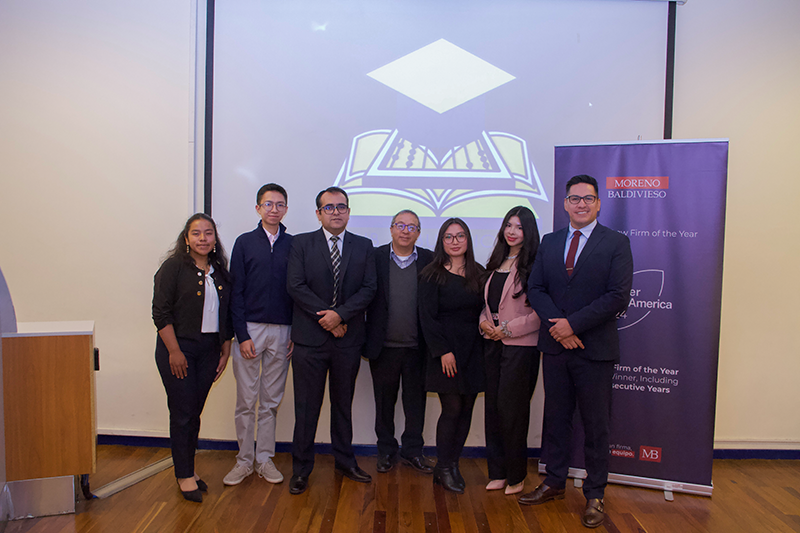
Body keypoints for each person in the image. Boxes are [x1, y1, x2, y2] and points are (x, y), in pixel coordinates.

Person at [520, 175, 633, 529]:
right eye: (574, 198)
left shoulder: (616, 242)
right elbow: (535, 287)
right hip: (556, 347)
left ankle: (595, 494)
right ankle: (554, 481)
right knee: (556, 419)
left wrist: (573, 325)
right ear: (565, 203)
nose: (581, 204)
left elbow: (617, 296)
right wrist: (559, 326)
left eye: (588, 198)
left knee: (596, 425)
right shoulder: (551, 242)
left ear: (598, 203)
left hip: (594, 350)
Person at [286, 186, 377, 495]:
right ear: (318, 213)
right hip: (310, 341)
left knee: (342, 407)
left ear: (349, 212)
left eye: (342, 207)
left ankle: (345, 461)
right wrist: (326, 318)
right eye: (330, 207)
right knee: (306, 409)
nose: (336, 212)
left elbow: (368, 289)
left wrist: (340, 316)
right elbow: (295, 286)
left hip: (347, 341)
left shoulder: (364, 246)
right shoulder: (301, 244)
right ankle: (301, 469)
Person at [152, 213, 233, 503]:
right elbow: (160, 313)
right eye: (196, 233)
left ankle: (189, 469)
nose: (203, 239)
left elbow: (227, 315)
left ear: (215, 238)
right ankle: (184, 475)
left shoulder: (221, 272)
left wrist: (225, 350)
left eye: (208, 233)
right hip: (178, 350)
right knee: (183, 413)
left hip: (210, 351)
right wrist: (174, 351)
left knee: (193, 413)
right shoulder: (173, 268)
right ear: (186, 238)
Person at [223, 184, 294, 486]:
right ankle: (244, 461)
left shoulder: (294, 245)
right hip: (250, 330)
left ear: (286, 209)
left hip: (283, 331)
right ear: (258, 208)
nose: (274, 209)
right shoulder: (244, 243)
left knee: (270, 401)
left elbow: (298, 291)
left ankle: (264, 459)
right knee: (246, 400)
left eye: (279, 204)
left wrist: (295, 331)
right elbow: (234, 292)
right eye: (268, 204)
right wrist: (241, 335)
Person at [364, 210, 434, 474]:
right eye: (400, 225)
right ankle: (386, 451)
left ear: (418, 232)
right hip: (383, 347)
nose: (406, 231)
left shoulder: (429, 259)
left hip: (418, 348)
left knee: (416, 404)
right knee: (384, 404)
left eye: (412, 227)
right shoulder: (375, 257)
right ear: (391, 229)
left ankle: (413, 451)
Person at [418, 218, 485, 494]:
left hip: (473, 350)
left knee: (467, 408)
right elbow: (427, 317)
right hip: (444, 352)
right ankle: (443, 467)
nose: (455, 241)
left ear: (468, 240)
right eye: (449, 237)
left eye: (460, 236)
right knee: (452, 409)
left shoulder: (479, 273)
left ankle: (452, 463)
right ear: (441, 242)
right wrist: (443, 351)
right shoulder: (431, 273)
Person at [479, 206, 541, 496]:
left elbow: (541, 312)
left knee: (512, 411)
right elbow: (487, 306)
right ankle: (498, 472)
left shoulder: (535, 264)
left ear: (528, 232)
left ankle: (516, 475)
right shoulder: (496, 262)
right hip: (492, 345)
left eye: (518, 226)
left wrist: (506, 329)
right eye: (508, 225)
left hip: (520, 348)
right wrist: (485, 325)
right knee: (492, 408)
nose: (512, 231)